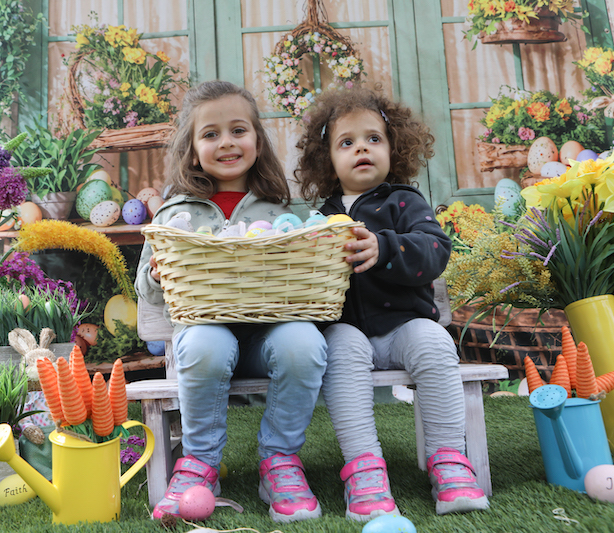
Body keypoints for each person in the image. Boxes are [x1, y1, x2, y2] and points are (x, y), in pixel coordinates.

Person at [135, 80, 327, 523]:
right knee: (208, 343)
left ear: (257, 140)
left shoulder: (280, 211)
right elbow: (145, 288)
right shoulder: (174, 213)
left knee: (305, 343)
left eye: (238, 130)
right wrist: (157, 274)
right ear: (192, 150)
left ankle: (280, 460)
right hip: (204, 341)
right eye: (211, 134)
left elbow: (299, 278)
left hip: (264, 341)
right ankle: (200, 463)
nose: (226, 142)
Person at [294, 87, 490, 520]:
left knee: (434, 342)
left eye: (373, 139)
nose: (361, 148)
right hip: (348, 331)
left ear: (393, 147)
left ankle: (449, 461)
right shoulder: (320, 219)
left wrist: (384, 247)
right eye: (347, 142)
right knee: (338, 348)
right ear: (328, 159)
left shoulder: (405, 201)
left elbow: (435, 250)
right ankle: (364, 469)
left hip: (405, 326)